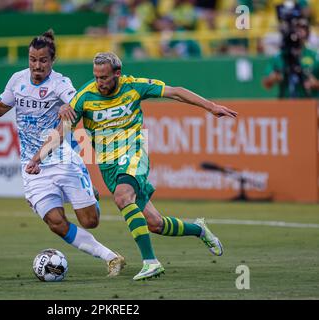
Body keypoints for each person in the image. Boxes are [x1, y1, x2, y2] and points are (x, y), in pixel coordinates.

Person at [26, 52, 238, 281]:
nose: (100, 82)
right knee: (155, 224)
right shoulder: (85, 96)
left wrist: (211, 106)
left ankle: (151, 262)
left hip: (134, 152)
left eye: (104, 77)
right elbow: (61, 131)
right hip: (108, 165)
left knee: (122, 197)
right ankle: (199, 229)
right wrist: (37, 157)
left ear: (117, 73)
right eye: (96, 77)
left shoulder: (134, 86)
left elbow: (175, 92)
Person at [0, 31, 125, 277]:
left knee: (90, 221)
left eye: (43, 60)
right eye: (33, 60)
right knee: (55, 222)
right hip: (32, 167)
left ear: (52, 61)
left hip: (63, 160)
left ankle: (88, 190)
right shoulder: (17, 81)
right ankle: (110, 257)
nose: (37, 66)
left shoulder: (61, 84)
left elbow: (75, 109)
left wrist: (69, 106)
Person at [262, 14, 319, 98]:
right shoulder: (280, 56)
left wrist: (315, 84)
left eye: (302, 28)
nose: (298, 32)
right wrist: (273, 77)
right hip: (286, 105)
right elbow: (266, 84)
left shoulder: (314, 55)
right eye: (296, 28)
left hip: (308, 103)